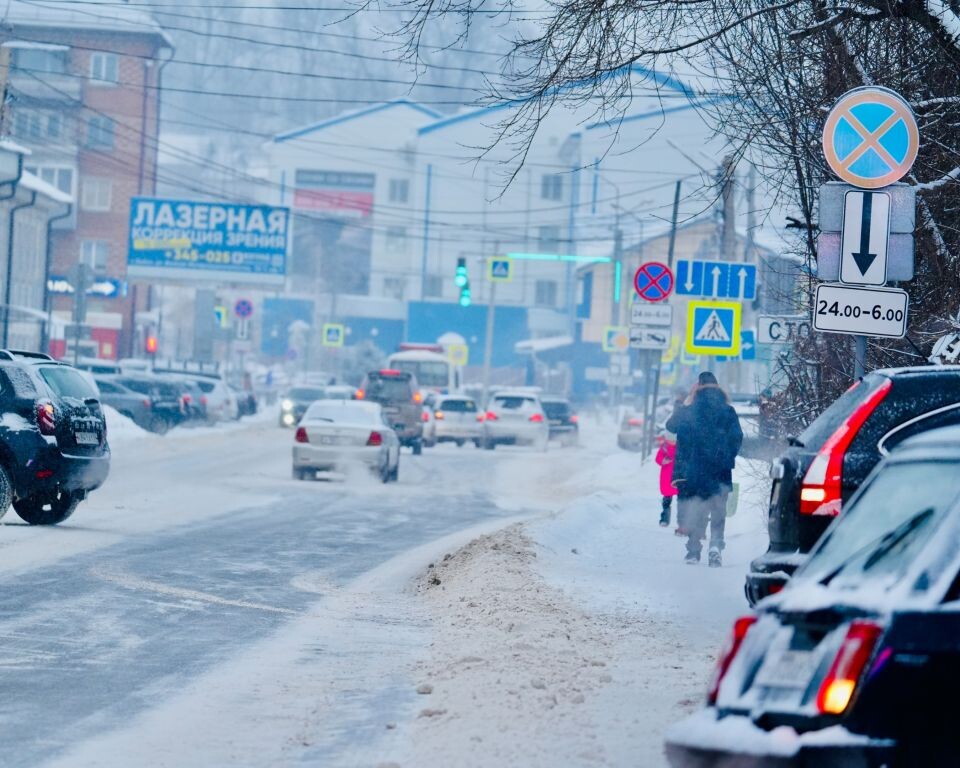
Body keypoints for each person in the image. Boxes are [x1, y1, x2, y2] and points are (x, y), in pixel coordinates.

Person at [666, 371, 743, 567]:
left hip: (696, 470)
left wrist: (685, 402)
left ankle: (693, 550)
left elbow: (670, 426)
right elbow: (737, 437)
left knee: (697, 507)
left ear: (697, 388)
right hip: (720, 470)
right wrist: (727, 457)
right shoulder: (728, 411)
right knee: (718, 509)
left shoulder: (689, 410)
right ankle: (716, 546)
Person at [654, 431, 678, 526]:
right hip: (667, 476)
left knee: (682, 500)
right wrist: (663, 461)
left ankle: (683, 521)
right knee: (667, 499)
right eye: (670, 440)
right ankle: (665, 518)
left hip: (678, 476)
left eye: (673, 440)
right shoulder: (665, 447)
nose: (671, 442)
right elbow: (658, 458)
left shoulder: (681, 446)